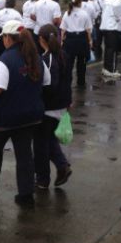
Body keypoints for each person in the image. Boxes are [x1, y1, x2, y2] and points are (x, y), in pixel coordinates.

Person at [0, 21, 51, 208]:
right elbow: (47, 82)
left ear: (8, 38)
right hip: (29, 116)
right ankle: (25, 194)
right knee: (24, 154)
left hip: (3, 118)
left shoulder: (5, 61)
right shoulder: (36, 58)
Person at [34, 24, 73, 189]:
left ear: (41, 40)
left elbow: (50, 85)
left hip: (48, 108)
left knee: (41, 145)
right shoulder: (63, 55)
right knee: (49, 140)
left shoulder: (46, 59)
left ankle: (43, 179)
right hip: (61, 106)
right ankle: (62, 166)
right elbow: (69, 80)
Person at [60, 0, 93, 87]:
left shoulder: (67, 13)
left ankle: (68, 81)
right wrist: (90, 41)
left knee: (69, 62)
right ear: (79, 3)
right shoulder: (84, 14)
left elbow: (63, 29)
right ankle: (81, 82)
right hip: (82, 39)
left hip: (70, 39)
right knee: (81, 62)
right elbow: (88, 30)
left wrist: (62, 40)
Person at [100, 0, 121, 79]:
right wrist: (118, 17)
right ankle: (111, 70)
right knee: (113, 50)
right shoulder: (118, 0)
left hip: (106, 27)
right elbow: (116, 8)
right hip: (113, 27)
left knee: (108, 49)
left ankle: (106, 68)